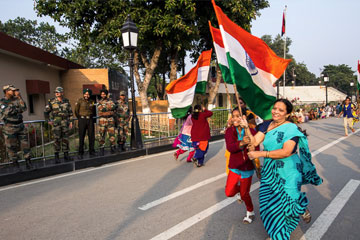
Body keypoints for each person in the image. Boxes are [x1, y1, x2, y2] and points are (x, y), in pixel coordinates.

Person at [242, 99, 322, 240]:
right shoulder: (266, 125)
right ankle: (278, 234)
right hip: (270, 172)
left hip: (289, 171)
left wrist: (260, 154)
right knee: (268, 205)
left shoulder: (291, 128)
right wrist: (246, 128)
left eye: (281, 110)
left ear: (287, 113)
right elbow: (253, 142)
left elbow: (286, 151)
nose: (276, 112)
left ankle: (298, 209)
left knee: (288, 203)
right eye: (275, 108)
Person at [224, 107, 258, 224]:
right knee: (229, 192)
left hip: (247, 168)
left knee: (245, 194)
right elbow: (230, 147)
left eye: (238, 116)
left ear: (244, 117)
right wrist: (242, 143)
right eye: (233, 116)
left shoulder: (252, 131)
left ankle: (250, 212)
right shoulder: (229, 131)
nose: (234, 119)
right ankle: (240, 191)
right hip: (234, 167)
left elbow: (256, 148)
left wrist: (251, 146)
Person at [0, 85, 33, 170]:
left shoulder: (17, 99)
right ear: (6, 91)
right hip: (10, 127)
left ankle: (28, 162)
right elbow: (8, 112)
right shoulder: (2, 102)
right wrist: (18, 109)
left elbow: (24, 108)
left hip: (20, 125)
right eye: (12, 90)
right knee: (11, 147)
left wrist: (19, 97)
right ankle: (15, 164)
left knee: (25, 144)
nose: (14, 92)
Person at [44, 86, 74, 163]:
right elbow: (46, 112)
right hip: (56, 123)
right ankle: (56, 157)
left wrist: (71, 122)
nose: (57, 93)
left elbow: (70, 112)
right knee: (56, 139)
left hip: (65, 122)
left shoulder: (66, 101)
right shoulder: (52, 101)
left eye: (58, 92)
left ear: (62, 93)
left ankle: (66, 155)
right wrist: (48, 120)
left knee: (65, 139)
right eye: (56, 92)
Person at [74, 88, 96, 159]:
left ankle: (91, 151)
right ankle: (80, 152)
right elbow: (76, 111)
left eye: (88, 94)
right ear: (83, 94)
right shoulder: (79, 101)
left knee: (91, 136)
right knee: (81, 136)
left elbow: (93, 111)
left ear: (90, 95)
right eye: (85, 94)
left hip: (90, 120)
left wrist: (91, 118)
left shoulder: (92, 101)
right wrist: (80, 118)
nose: (87, 95)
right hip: (82, 120)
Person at [97, 89, 116, 155]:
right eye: (102, 94)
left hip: (110, 120)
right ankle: (102, 148)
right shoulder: (99, 102)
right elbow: (101, 109)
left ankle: (113, 147)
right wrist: (109, 109)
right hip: (102, 120)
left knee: (112, 134)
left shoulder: (111, 101)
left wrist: (106, 110)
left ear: (106, 94)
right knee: (102, 135)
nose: (103, 95)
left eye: (104, 94)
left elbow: (114, 107)